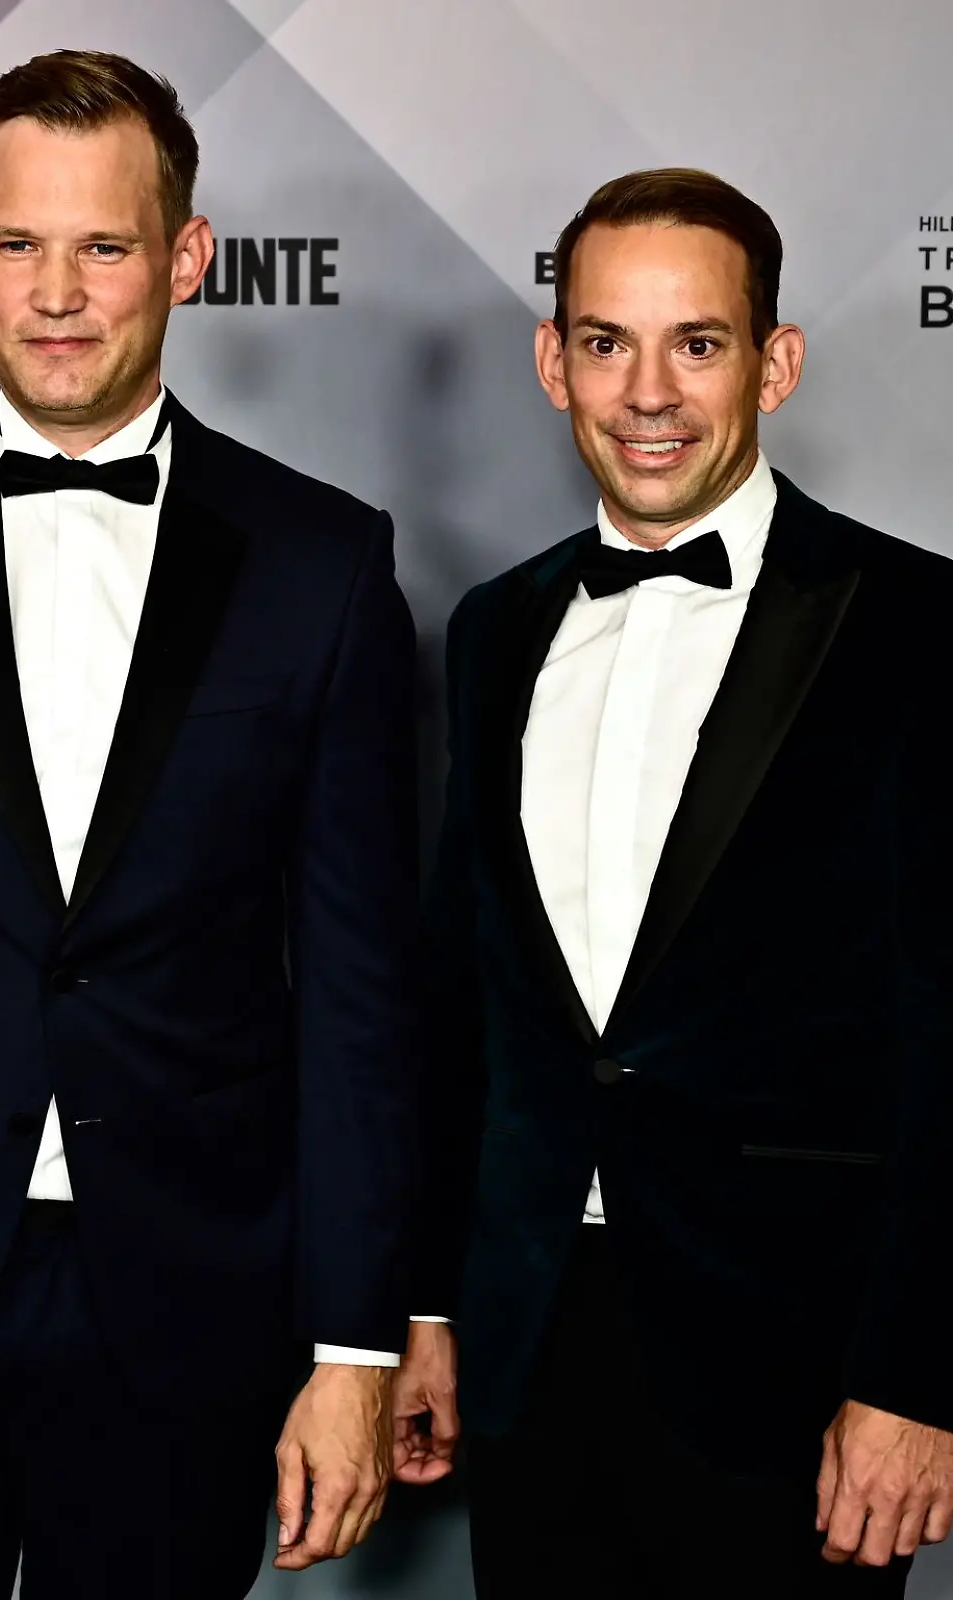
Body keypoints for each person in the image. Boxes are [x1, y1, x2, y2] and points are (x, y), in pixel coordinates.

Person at [0, 49, 427, 1600]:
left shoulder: (321, 566)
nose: (58, 294)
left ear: (185, 257)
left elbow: (359, 989)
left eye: (106, 247)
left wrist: (350, 1343)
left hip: (187, 1295)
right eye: (22, 244)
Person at [395, 168, 953, 1597]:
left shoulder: (915, 624)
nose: (647, 391)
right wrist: (428, 1305)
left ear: (775, 362)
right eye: (605, 341)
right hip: (531, 1343)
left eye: (696, 344)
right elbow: (467, 996)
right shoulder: (494, 629)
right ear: (552, 360)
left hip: (797, 1366)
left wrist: (918, 1378)